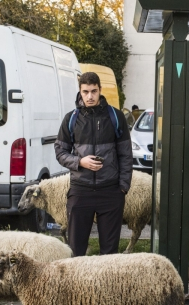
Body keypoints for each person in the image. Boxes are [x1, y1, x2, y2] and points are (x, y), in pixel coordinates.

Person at [55, 72, 133, 257]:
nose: (90, 96)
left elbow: (126, 155)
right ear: (80, 92)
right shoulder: (71, 119)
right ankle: (75, 286)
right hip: (80, 191)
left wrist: (123, 187)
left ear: (100, 90)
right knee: (75, 250)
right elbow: (60, 152)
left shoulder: (116, 116)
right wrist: (79, 161)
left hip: (111, 192)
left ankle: (106, 286)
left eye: (94, 91)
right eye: (85, 92)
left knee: (109, 252)